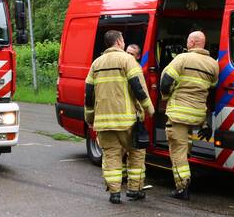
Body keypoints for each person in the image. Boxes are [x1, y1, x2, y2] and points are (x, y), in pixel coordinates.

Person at [85, 30, 154, 204]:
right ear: (119, 41)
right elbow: (138, 87)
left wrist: (89, 116)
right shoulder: (128, 60)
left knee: (111, 156)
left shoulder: (96, 63)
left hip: (103, 122)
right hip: (126, 121)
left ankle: (114, 192)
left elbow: (89, 94)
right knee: (136, 153)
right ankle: (134, 189)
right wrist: (149, 109)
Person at [160, 30, 220, 200]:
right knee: (186, 146)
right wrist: (206, 122)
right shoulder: (213, 65)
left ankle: (182, 187)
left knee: (177, 150)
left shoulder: (182, 59)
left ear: (192, 43)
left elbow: (165, 83)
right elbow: (212, 92)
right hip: (197, 114)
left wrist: (167, 96)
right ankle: (184, 177)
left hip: (178, 113)